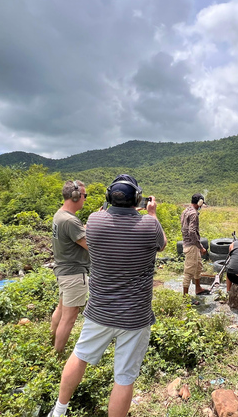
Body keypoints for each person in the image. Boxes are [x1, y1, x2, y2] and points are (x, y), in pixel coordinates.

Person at [48, 174, 167, 417]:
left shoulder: (94, 220)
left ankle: (58, 411)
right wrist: (152, 213)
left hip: (100, 311)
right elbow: (162, 244)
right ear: (138, 199)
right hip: (135, 317)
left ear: (107, 198)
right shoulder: (149, 225)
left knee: (79, 356)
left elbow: (101, 223)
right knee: (124, 378)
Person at [50, 180, 89, 354]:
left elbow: (77, 234)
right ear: (75, 196)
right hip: (73, 274)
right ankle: (57, 355)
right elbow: (91, 245)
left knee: (61, 309)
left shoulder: (61, 215)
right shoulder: (70, 221)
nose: (85, 199)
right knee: (70, 318)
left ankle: (52, 344)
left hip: (63, 271)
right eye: (84, 196)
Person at [181, 193, 209, 302]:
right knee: (189, 271)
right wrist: (200, 247)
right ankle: (186, 298)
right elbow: (192, 232)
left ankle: (198, 288)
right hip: (192, 245)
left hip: (191, 244)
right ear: (200, 202)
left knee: (198, 267)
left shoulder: (185, 211)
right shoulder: (193, 214)